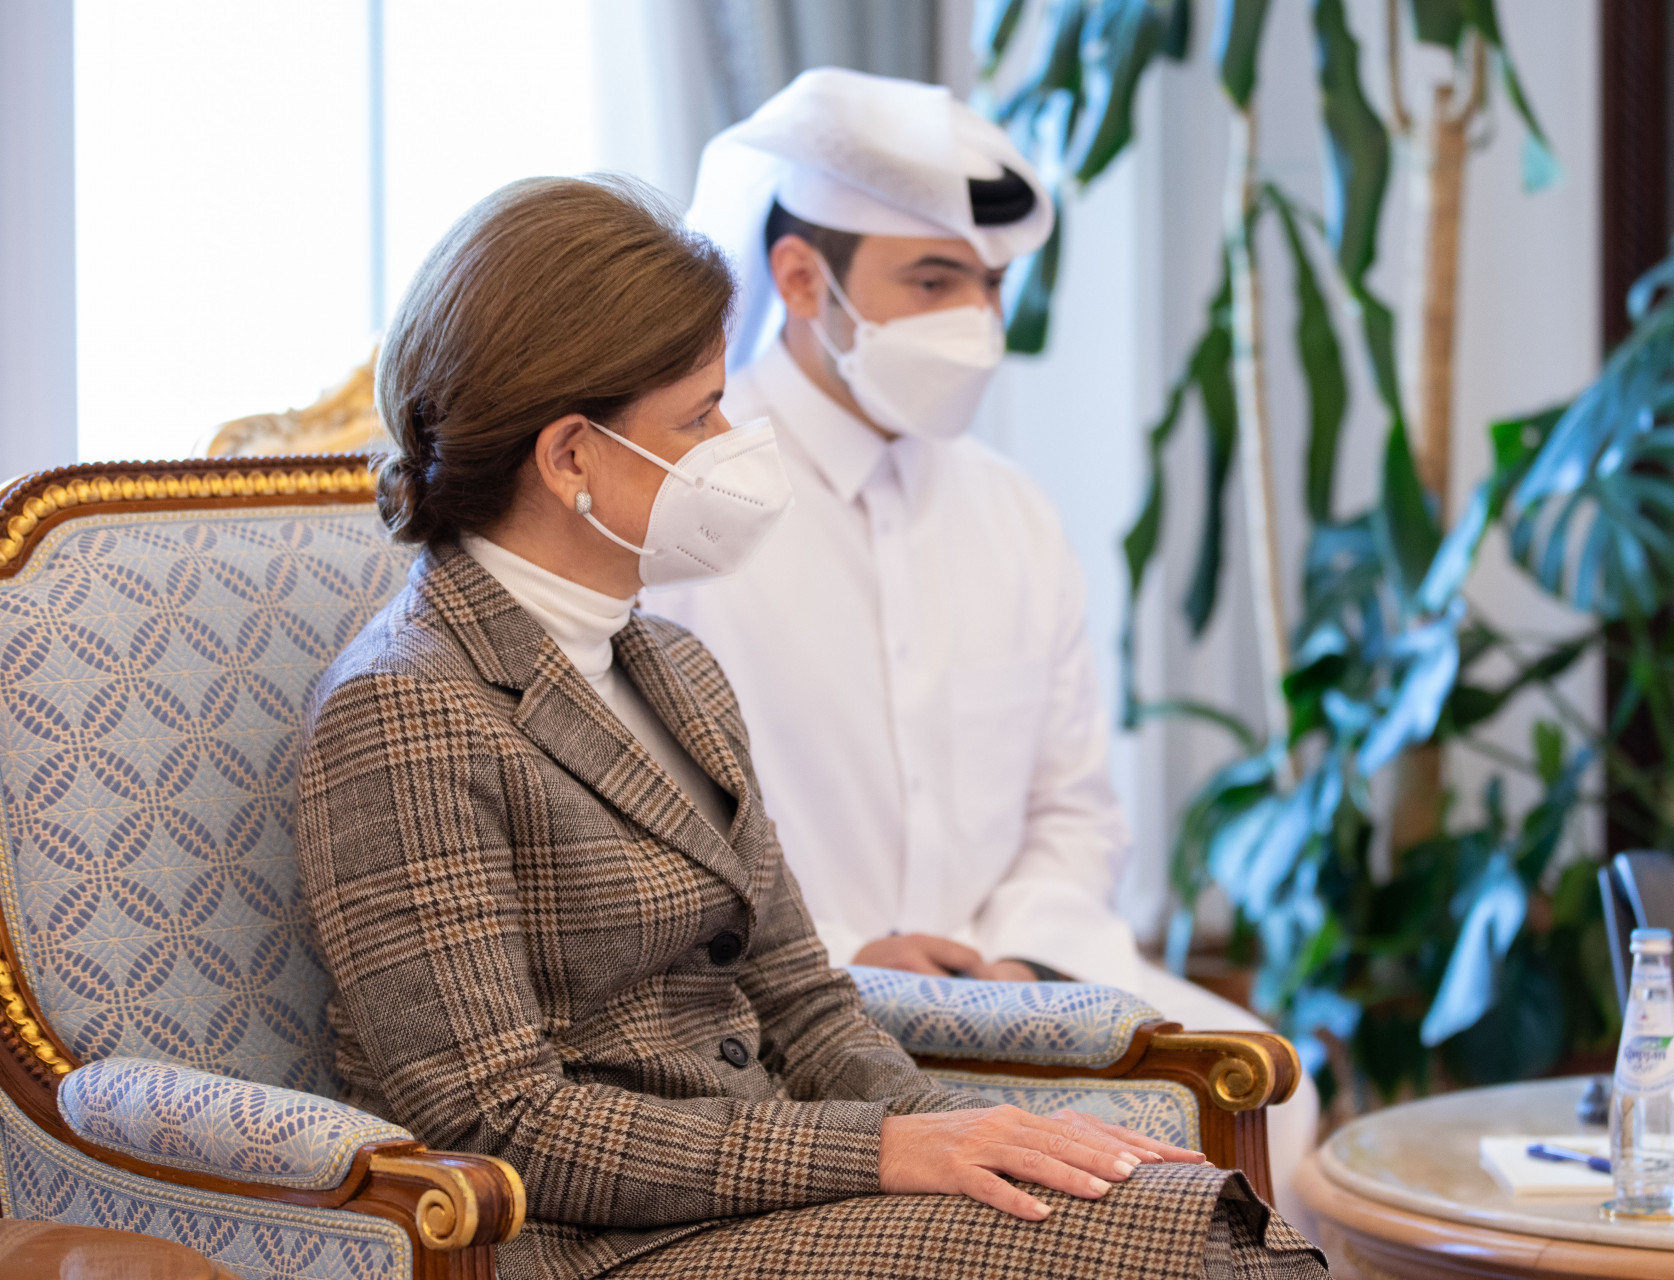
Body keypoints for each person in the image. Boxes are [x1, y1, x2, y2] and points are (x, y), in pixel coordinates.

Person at [295, 173, 1323, 1280]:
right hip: (593, 1247)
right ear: (571, 457)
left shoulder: (673, 666)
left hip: (761, 1194)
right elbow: (503, 1121)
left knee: (1193, 1221)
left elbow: (802, 999)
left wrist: (977, 1137)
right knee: (1189, 1253)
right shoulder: (403, 709)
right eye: (699, 417)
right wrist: (883, 1149)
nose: (731, 438)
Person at [650, 67, 1321, 1220]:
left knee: (1278, 1091)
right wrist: (851, 950)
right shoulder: (681, 504)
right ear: (801, 279)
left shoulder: (1014, 512)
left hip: (1022, 989)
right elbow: (648, 832)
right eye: (933, 280)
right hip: (779, 1008)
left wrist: (1019, 963)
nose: (977, 322)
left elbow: (1076, 813)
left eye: (991, 285)